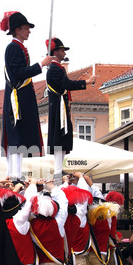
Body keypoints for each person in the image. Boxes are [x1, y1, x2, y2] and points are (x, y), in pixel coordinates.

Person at [0, 11, 53, 180]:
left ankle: (17, 172)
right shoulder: (13, 47)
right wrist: (40, 65)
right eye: (26, 28)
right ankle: (14, 174)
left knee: (20, 135)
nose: (29, 31)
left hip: (22, 96)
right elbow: (18, 73)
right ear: (17, 30)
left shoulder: (19, 47)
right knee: (16, 135)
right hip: (17, 97)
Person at [45, 38, 96, 179]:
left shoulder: (56, 68)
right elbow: (67, 84)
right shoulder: (54, 69)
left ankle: (59, 168)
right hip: (58, 107)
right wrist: (87, 81)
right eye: (61, 50)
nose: (63, 52)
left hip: (61, 106)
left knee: (62, 137)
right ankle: (57, 169)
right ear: (56, 52)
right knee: (59, 136)